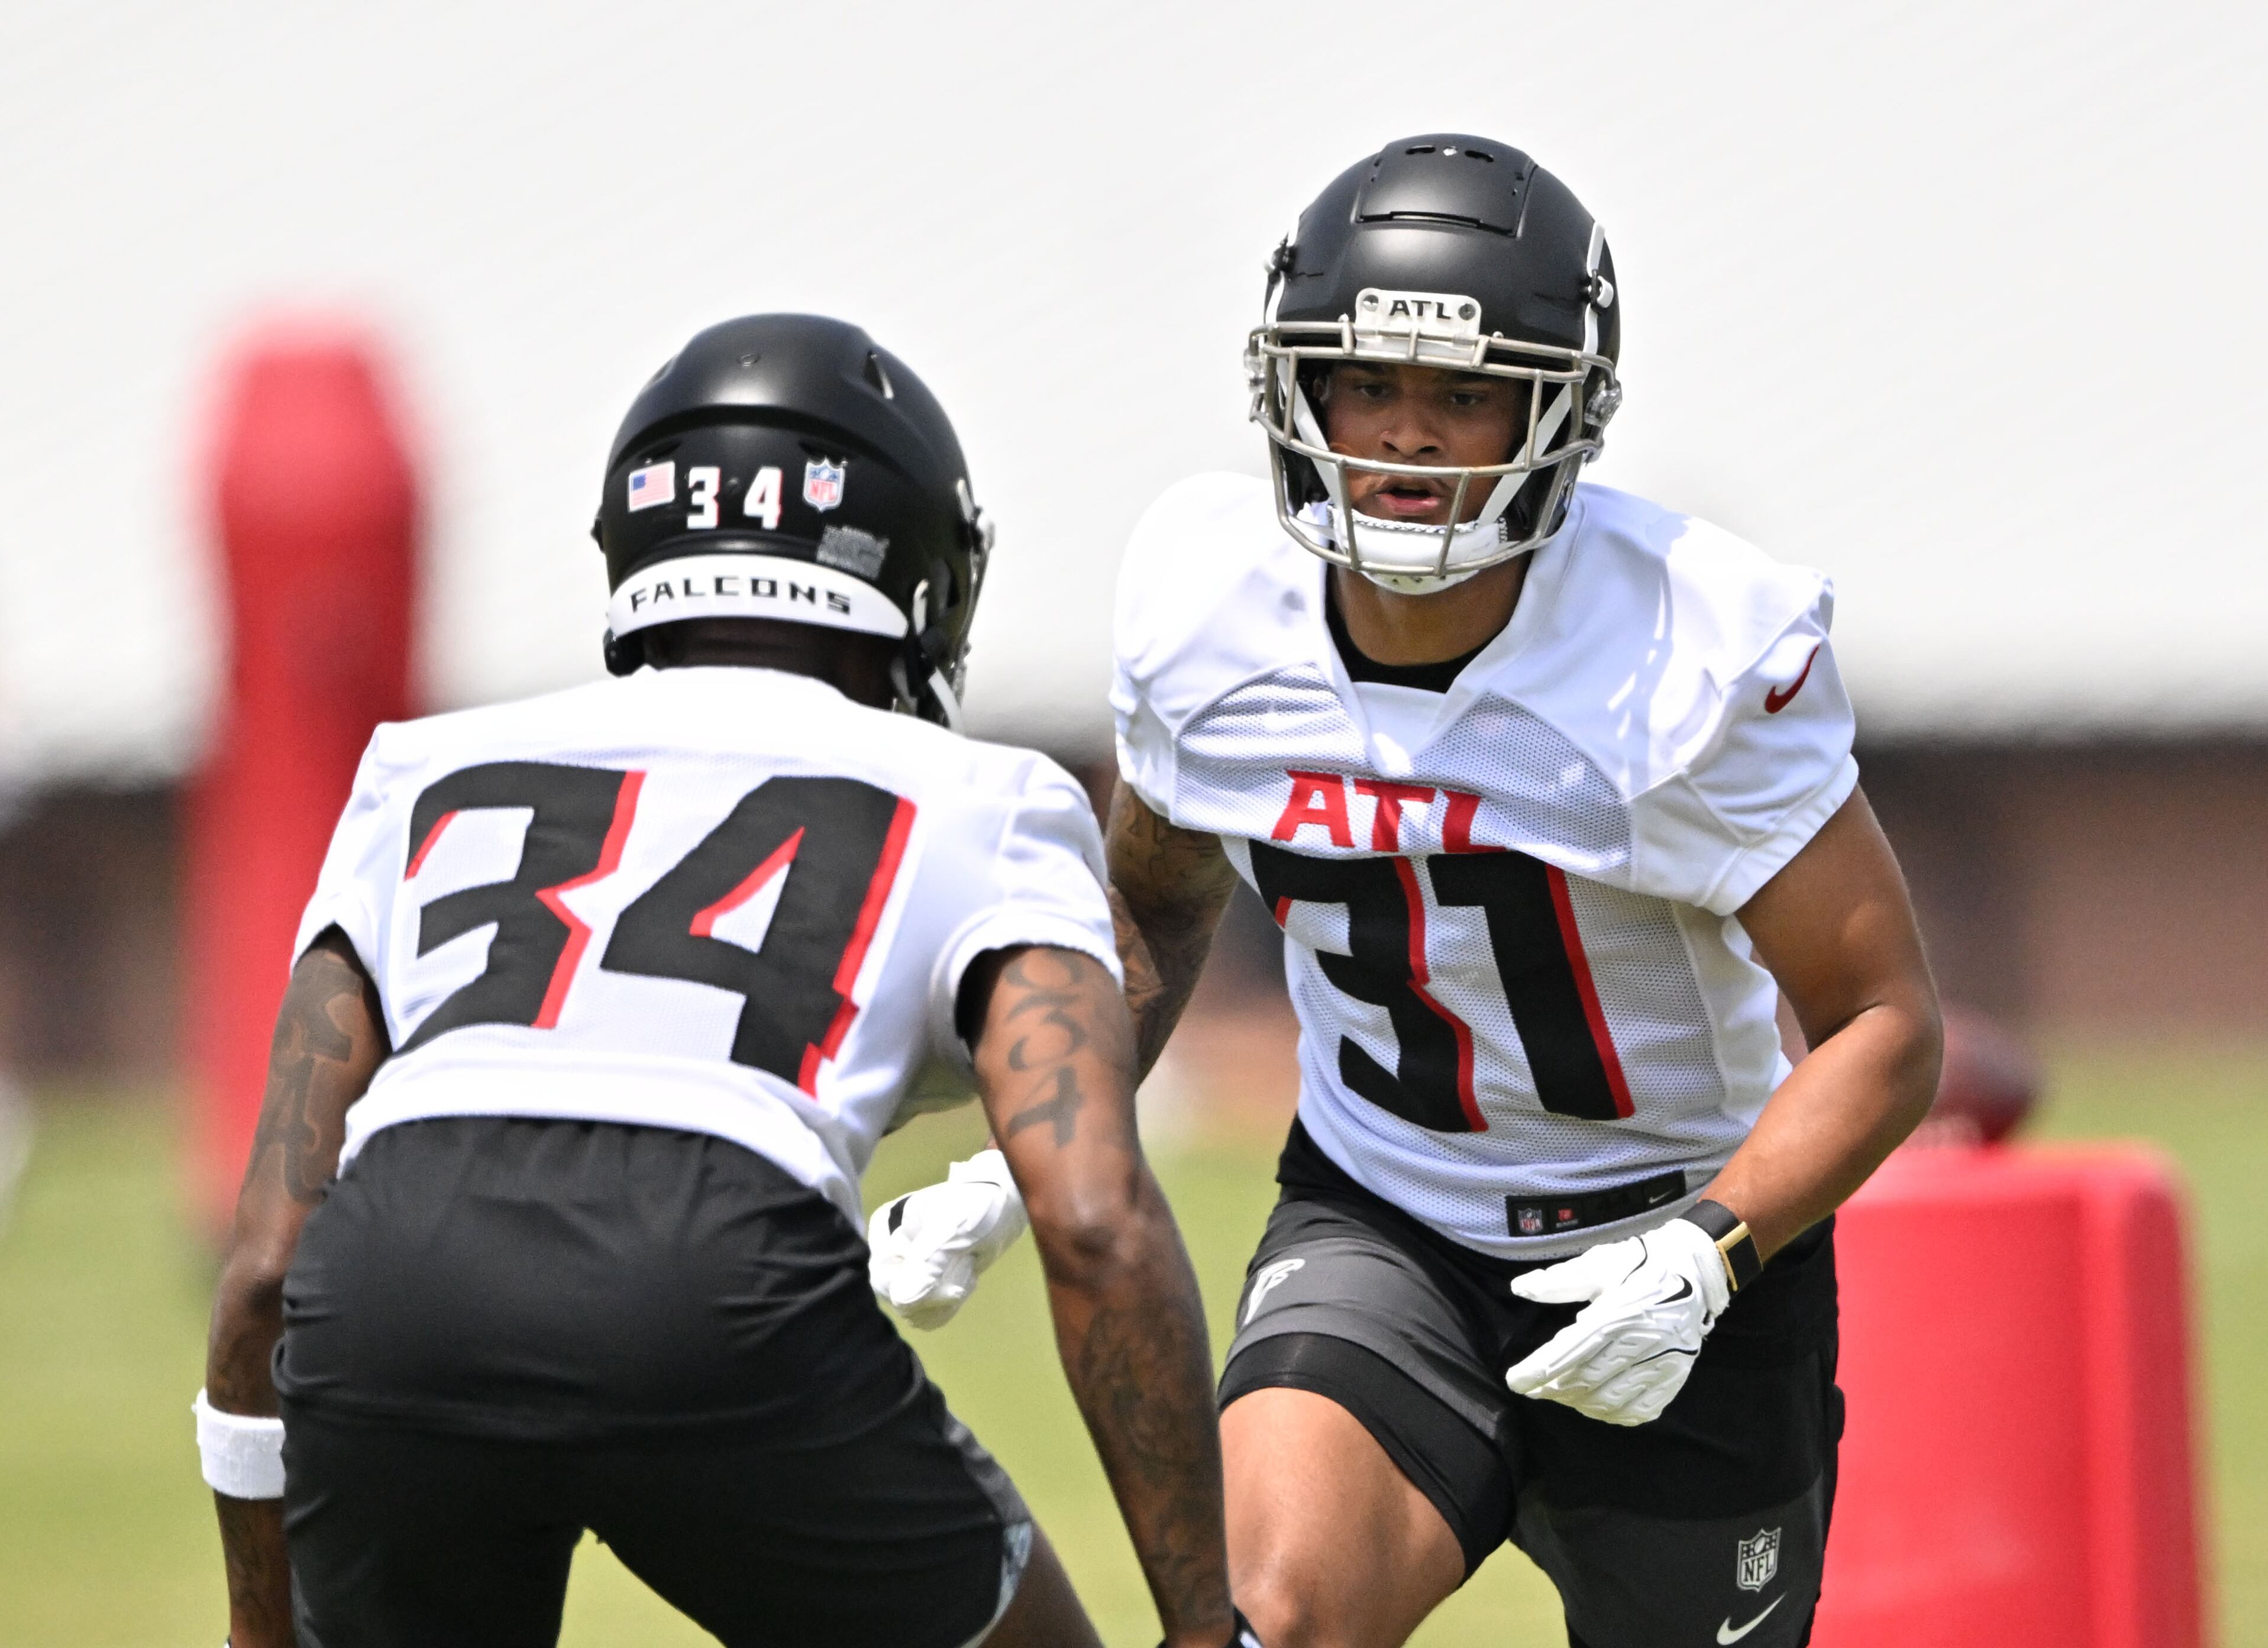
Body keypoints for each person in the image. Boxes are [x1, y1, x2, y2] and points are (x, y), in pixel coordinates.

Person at [868, 137, 1944, 1648]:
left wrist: (1709, 1252)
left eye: (1465, 394)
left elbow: (1886, 1022)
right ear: (1295, 390)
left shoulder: (1688, 651)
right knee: (1266, 1619)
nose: (1407, 438)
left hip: (1675, 1238)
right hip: (1390, 1225)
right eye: (1367, 385)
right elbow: (1157, 909)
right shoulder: (1211, 612)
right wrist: (1033, 1146)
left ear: (1558, 414)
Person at [198, 314, 1253, 1648]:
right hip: (715, 1273)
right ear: (917, 573)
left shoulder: (422, 772)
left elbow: (258, 1274)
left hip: (393, 1284)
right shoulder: (989, 797)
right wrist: (1206, 1630)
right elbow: (1096, 1221)